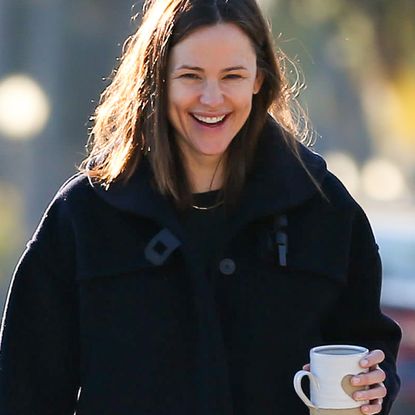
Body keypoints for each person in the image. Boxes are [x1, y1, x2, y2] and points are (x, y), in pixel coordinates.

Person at [0, 0, 401, 414]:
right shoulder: (82, 217)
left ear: (259, 80)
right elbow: (25, 390)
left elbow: (369, 346)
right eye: (191, 76)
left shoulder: (324, 208)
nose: (212, 99)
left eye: (233, 76)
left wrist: (375, 384)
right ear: (158, 78)